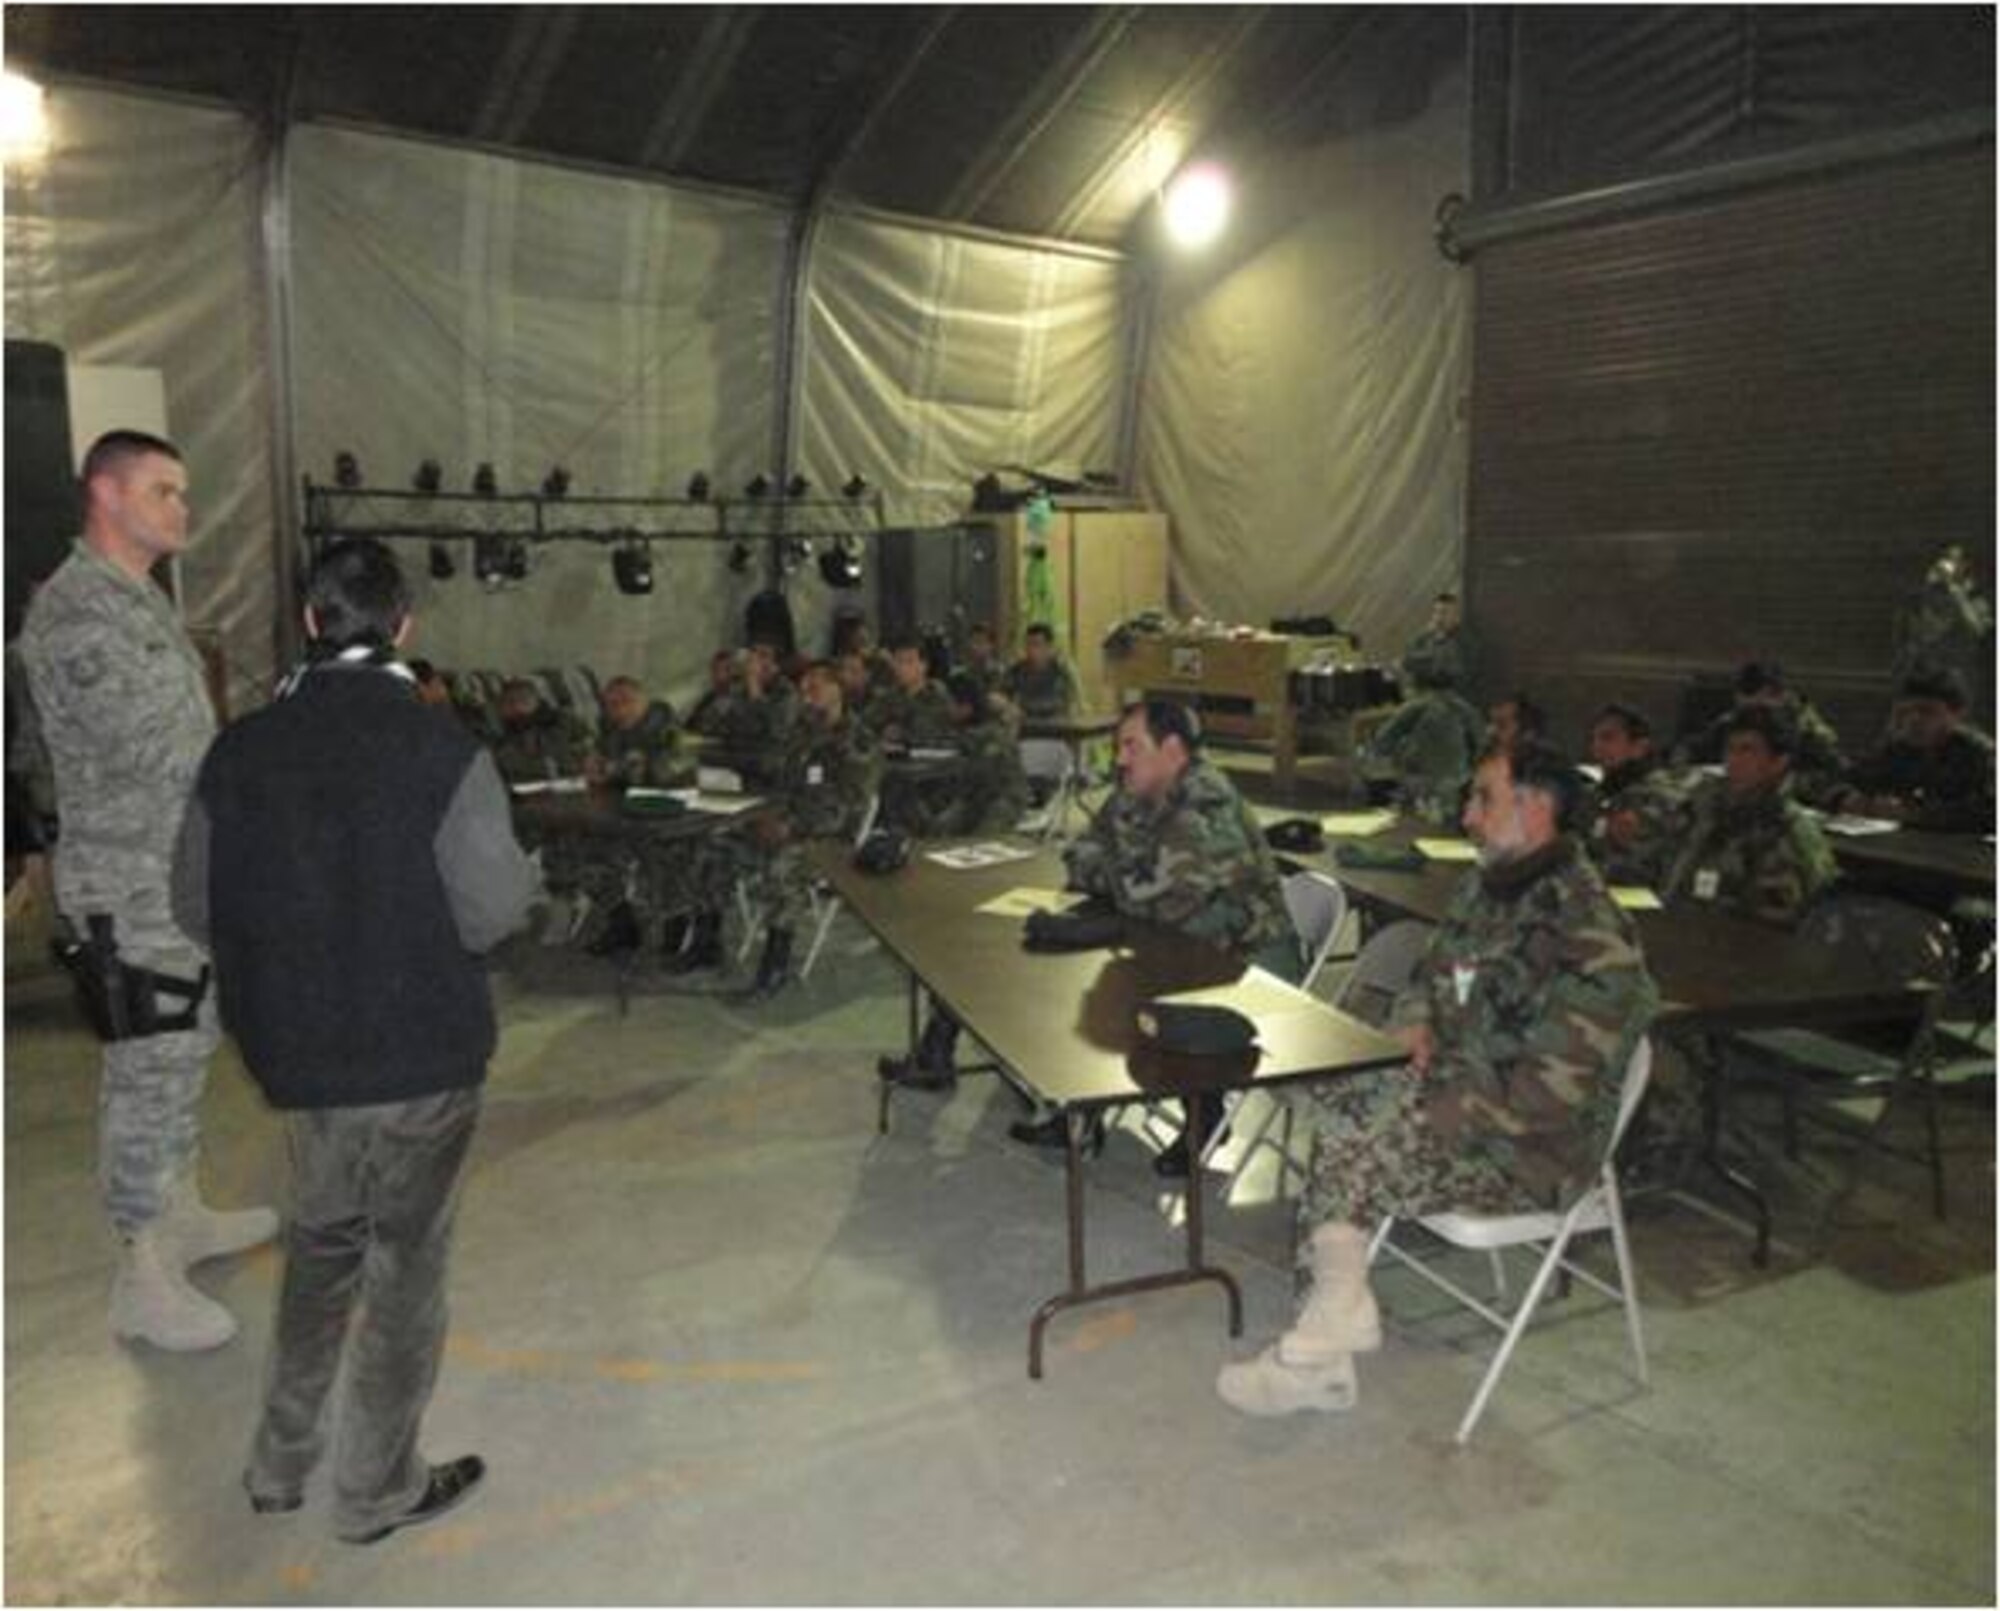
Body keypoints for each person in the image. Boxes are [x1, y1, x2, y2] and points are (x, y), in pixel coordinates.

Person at [172, 537, 536, 1544]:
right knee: (405, 1273)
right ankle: (375, 1490)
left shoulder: (236, 751)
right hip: (420, 1058)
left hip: (301, 1065)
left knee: (322, 1250)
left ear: (309, 621)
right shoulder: (443, 750)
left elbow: (193, 905)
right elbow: (493, 912)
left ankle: (279, 1464)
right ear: (405, 626)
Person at [1218, 740, 1657, 1417]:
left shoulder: (1593, 938)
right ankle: (1332, 1328)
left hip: (1530, 1150)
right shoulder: (1488, 888)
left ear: (1536, 808)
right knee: (1320, 1084)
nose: (1468, 815)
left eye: (1484, 797)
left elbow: (1545, 1101)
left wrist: (1418, 1101)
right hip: (1453, 1089)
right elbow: (1431, 973)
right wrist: (1417, 1021)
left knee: (1359, 1139)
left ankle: (1319, 1345)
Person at [18, 429, 279, 1352]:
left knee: (184, 1049)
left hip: (176, 873)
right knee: (146, 1067)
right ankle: (142, 1269)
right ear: (106, 492)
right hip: (131, 888)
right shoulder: (82, 615)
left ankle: (180, 1213)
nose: (184, 508)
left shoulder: (139, 601)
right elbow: (167, 757)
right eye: (165, 490)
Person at [1012, 700, 1297, 1172]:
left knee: (1129, 988)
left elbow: (1148, 898)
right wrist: (1115, 872)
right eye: (1118, 746)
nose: (1120, 759)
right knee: (1086, 979)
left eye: (1131, 745)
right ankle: (1082, 1112)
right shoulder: (1138, 787)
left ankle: (1205, 1115)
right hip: (1177, 940)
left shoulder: (1206, 804)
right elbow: (1082, 851)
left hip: (1250, 960)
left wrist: (1114, 873)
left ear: (1172, 749)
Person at [672, 661, 880, 995]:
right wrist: (751, 808)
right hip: (781, 822)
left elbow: (848, 807)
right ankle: (707, 941)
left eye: (815, 688)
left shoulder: (858, 741)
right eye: (803, 690)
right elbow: (774, 776)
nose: (806, 696)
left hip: (828, 838)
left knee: (782, 866)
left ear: (837, 690)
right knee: (712, 846)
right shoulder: (800, 734)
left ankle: (776, 964)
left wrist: (791, 826)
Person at [1662, 703, 1838, 927]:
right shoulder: (1707, 809)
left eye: (1747, 751)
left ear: (1778, 762)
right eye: (1730, 750)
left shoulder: (1786, 834)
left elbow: (1776, 930)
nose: (1733, 761)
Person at [1830, 668, 1995, 834]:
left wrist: (1917, 814)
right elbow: (1848, 778)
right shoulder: (1898, 749)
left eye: (1927, 711)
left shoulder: (1980, 755)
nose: (1913, 720)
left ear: (1957, 714)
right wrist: (1845, 798)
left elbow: (1989, 812)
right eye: (1906, 712)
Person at [1677, 660, 1847, 808]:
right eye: (1744, 706)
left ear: (1779, 697)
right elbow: (1694, 747)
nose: (1752, 718)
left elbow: (1836, 774)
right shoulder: (1737, 717)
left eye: (1760, 708)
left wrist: (1779, 782)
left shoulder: (1807, 729)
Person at [1366, 659, 1485, 825]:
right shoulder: (1464, 707)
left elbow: (1383, 740)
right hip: (1461, 775)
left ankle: (1416, 800)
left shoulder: (1416, 706)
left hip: (1421, 775)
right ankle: (1444, 805)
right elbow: (1481, 741)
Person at [1585, 703, 1689, 888]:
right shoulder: (1602, 795)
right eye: (1594, 739)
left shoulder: (1658, 798)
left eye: (1608, 738)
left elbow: (1635, 867)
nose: (1597, 747)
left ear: (1639, 747)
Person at [489, 677, 594, 784]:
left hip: (575, 780)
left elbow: (590, 746)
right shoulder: (499, 732)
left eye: (524, 699)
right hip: (528, 786)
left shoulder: (564, 719)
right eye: (509, 702)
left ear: (537, 700)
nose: (518, 707)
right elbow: (507, 761)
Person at [589, 674, 683, 790]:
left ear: (645, 702)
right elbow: (599, 760)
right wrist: (595, 769)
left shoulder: (667, 730)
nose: (621, 710)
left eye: (628, 700)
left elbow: (666, 772)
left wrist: (614, 769)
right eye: (613, 704)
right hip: (624, 801)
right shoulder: (611, 732)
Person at [866, 634, 956, 748]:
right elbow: (865, 724)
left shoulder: (937, 694)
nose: (901, 668)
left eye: (908, 662)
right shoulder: (890, 696)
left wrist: (901, 733)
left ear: (923, 665)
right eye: (898, 661)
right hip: (894, 761)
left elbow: (931, 731)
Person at [1000, 623, 1081, 722]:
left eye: (1036, 645)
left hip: (1057, 725)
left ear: (1049, 647)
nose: (1030, 650)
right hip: (1026, 724)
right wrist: (1007, 706)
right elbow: (999, 695)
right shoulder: (1018, 670)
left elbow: (1076, 702)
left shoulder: (1061, 669)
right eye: (1027, 644)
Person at [1401, 591, 1466, 694]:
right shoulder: (1424, 637)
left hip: (1451, 697)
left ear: (1456, 616)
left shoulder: (1464, 640)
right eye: (1435, 612)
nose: (1438, 618)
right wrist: (1427, 635)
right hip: (1422, 693)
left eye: (1444, 613)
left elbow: (1448, 672)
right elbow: (1407, 662)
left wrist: (1438, 642)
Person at [684, 649, 741, 739]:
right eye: (716, 670)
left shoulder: (740, 701)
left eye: (725, 670)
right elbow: (690, 724)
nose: (719, 675)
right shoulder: (707, 699)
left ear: (732, 672)